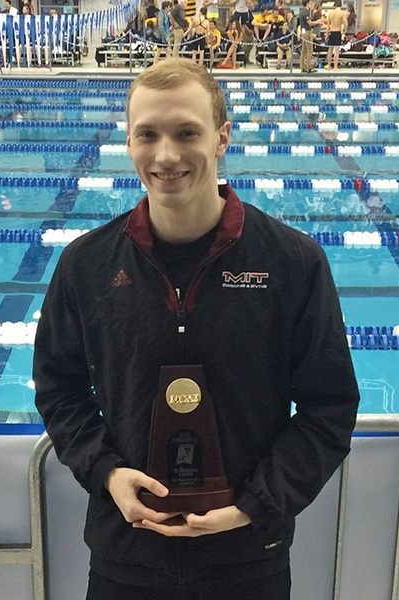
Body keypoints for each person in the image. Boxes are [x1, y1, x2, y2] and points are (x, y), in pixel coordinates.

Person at [33, 57, 360, 600]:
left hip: (248, 560)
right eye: (148, 135)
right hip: (126, 557)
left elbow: (330, 409)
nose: (166, 155)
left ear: (221, 138)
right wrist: (108, 474)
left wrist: (253, 506)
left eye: (186, 132)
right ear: (129, 142)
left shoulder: (292, 263)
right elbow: (58, 388)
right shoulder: (85, 265)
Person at [324, 0, 347, 70]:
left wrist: (327, 35)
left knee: (330, 50)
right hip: (337, 32)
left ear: (335, 5)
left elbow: (328, 25)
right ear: (341, 5)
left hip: (331, 32)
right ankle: (335, 67)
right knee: (336, 50)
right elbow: (346, 24)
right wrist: (344, 30)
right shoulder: (342, 13)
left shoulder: (331, 13)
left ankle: (328, 66)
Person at [298, 0, 317, 72]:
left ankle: (302, 66)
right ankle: (308, 67)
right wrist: (318, 21)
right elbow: (310, 23)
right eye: (310, 3)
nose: (311, 4)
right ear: (307, 4)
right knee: (310, 50)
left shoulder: (302, 12)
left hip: (303, 31)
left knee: (304, 50)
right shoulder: (305, 13)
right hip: (307, 32)